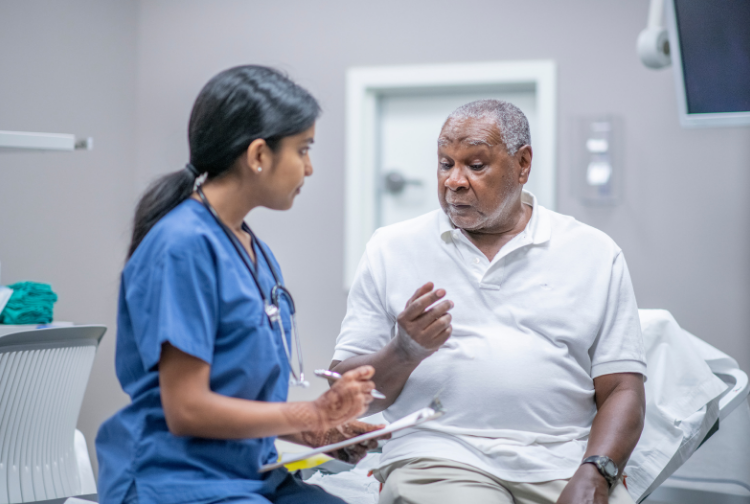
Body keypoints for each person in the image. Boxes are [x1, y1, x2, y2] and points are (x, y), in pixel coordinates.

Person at [331, 100, 647, 504]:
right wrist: (403, 350)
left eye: (475, 165)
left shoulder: (594, 252)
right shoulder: (391, 248)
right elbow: (342, 401)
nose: (454, 181)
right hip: (439, 456)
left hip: (563, 462)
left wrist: (597, 472)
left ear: (522, 164)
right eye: (446, 164)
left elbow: (622, 386)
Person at [96, 65, 385, 504]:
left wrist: (321, 430)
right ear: (257, 156)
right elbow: (187, 408)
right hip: (177, 481)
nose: (309, 168)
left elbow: (239, 395)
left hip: (250, 472)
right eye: (303, 150)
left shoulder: (253, 249)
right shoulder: (183, 246)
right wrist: (311, 411)